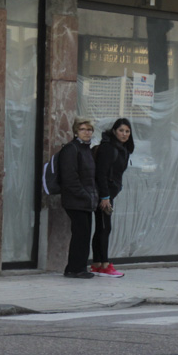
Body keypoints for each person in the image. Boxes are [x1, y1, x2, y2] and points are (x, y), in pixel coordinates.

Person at [90, 118, 134, 278]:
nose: (124, 134)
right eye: (121, 130)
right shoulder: (108, 148)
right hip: (104, 196)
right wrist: (105, 197)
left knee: (102, 228)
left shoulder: (121, 148)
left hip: (108, 194)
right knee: (104, 228)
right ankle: (105, 265)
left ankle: (97, 264)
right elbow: (101, 174)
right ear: (114, 131)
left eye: (127, 131)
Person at [59, 117, 98, 279]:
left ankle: (78, 266)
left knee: (84, 234)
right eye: (83, 129)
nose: (87, 132)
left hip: (86, 200)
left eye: (89, 130)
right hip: (75, 200)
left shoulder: (86, 149)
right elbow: (69, 178)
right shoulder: (71, 149)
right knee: (80, 234)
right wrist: (84, 195)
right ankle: (75, 268)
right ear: (76, 131)